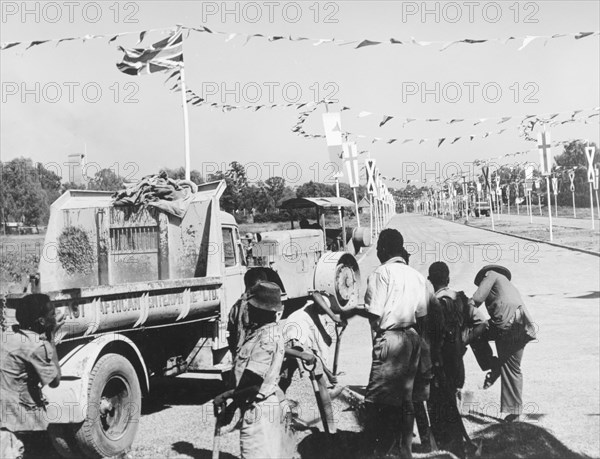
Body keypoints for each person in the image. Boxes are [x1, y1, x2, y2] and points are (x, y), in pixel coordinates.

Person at [359, 228, 433, 459]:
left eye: (379, 247)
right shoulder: (417, 276)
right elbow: (422, 316)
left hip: (391, 338)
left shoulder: (381, 273)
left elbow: (374, 314)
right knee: (406, 398)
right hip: (412, 338)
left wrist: (378, 343)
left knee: (376, 399)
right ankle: (404, 451)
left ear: (382, 249)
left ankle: (378, 451)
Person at [214, 281, 290, 459]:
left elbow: (252, 384)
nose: (248, 311)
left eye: (252, 307)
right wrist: (232, 406)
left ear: (261, 310)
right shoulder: (263, 332)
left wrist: (225, 396)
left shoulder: (266, 339)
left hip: (259, 412)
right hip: (260, 407)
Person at [425, 261, 488, 457]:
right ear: (448, 279)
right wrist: (463, 341)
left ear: (429, 280)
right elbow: (483, 323)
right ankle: (457, 447)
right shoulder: (460, 299)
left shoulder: (430, 304)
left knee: (437, 406)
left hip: (438, 362)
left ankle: (449, 450)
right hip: (455, 362)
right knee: (451, 400)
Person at [468, 265, 537, 422]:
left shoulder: (491, 274)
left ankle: (493, 364)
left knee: (475, 333)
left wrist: (462, 308)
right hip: (523, 325)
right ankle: (514, 412)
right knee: (512, 367)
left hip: (506, 324)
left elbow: (477, 299)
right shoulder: (507, 284)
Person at [1, 294, 64, 459]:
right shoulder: (36, 345)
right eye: (52, 314)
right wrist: (51, 338)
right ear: (41, 321)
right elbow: (55, 381)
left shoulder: (8, 335)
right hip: (23, 421)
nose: (55, 317)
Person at [227, 269, 269, 360]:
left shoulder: (236, 306)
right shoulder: (254, 306)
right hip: (252, 356)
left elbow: (231, 332)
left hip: (239, 355)